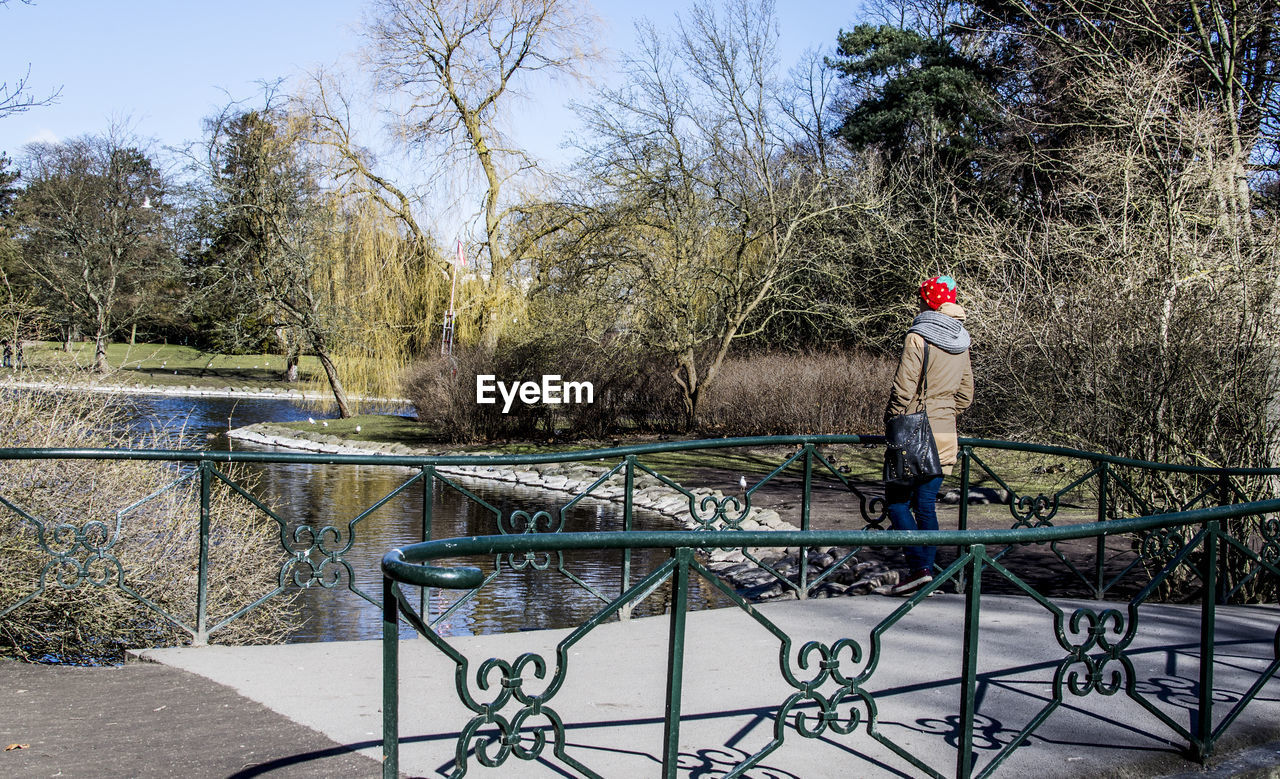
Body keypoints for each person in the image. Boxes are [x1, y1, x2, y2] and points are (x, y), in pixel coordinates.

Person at [883, 275, 974, 596]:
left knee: (896, 504)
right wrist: (944, 413)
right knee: (926, 506)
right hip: (946, 432)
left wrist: (893, 422)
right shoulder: (961, 340)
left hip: (914, 431)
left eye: (920, 298)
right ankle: (928, 575)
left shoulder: (918, 336)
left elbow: (902, 389)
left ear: (927, 301)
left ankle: (920, 570)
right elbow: (965, 395)